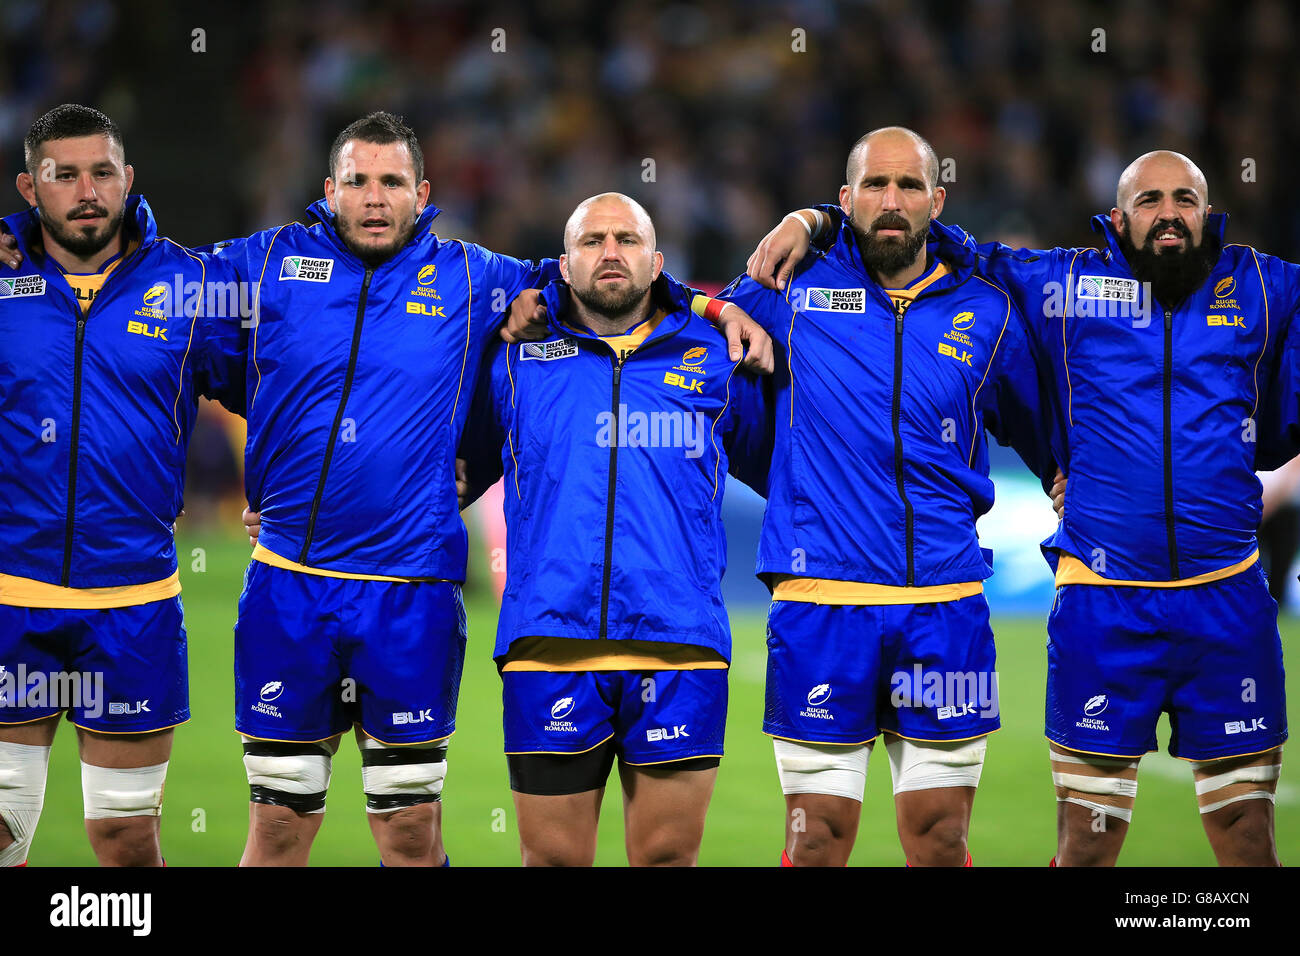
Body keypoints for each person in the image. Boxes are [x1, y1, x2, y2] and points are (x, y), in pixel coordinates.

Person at [217, 113, 773, 867]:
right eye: (358, 181)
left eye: (392, 182)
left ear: (423, 193)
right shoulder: (271, 263)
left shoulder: (488, 282)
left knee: (417, 833)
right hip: (352, 596)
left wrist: (713, 304)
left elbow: (779, 465)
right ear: (329, 189)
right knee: (279, 828)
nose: (375, 198)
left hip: (539, 616)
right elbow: (175, 324)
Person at [755, 148, 1298, 867]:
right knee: (1086, 846)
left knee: (1250, 842)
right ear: (1117, 218)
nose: (1169, 213)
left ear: (1207, 211)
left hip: (1229, 599)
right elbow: (923, 237)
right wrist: (817, 218)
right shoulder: (1060, 286)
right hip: (1103, 605)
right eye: (1149, 200)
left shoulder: (1265, 285)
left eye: (1185, 199)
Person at [720, 128, 1056, 867]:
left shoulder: (989, 311)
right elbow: (718, 371)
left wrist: (1065, 478)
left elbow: (1044, 431)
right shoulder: (789, 289)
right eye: (874, 186)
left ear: (938, 200)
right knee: (818, 844)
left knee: (941, 841)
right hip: (820, 604)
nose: (892, 202)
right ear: (845, 201)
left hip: (947, 605)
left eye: (910, 187)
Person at [457, 192, 770, 866]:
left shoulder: (717, 355)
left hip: (678, 643)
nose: (609, 252)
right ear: (560, 267)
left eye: (627, 240)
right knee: (553, 862)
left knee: (665, 860)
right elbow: (451, 471)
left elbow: (787, 471)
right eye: (591, 241)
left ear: (657, 263)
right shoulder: (513, 355)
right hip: (549, 642)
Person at [0, 104, 246, 867]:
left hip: (134, 606)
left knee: (127, 840)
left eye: (102, 171)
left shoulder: (189, 287)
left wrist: (280, 490)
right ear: (29, 186)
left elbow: (276, 393)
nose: (86, 190)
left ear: (128, 178)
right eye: (63, 174)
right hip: (11, 598)